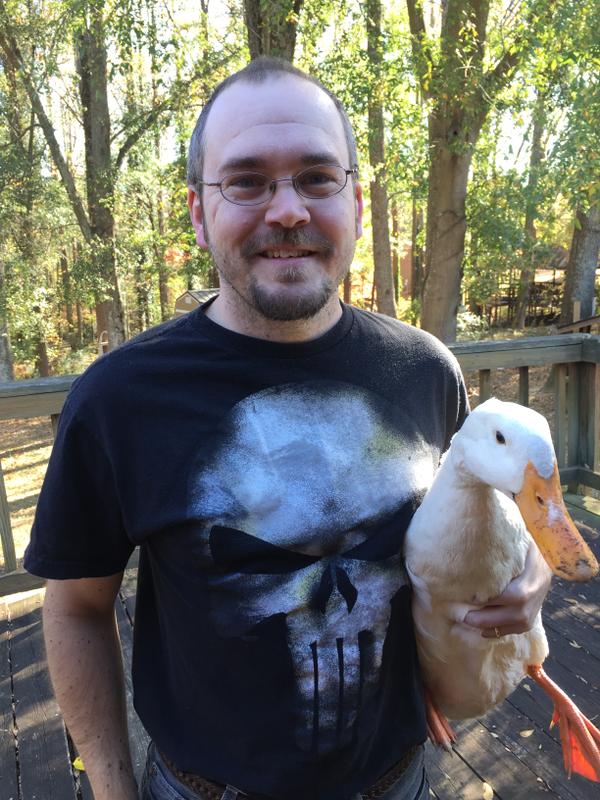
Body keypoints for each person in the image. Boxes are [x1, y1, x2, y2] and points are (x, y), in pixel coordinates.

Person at [25, 57, 552, 800]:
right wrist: (113, 791)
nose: (288, 210)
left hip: (401, 782)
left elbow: (495, 522)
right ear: (198, 211)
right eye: (246, 181)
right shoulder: (119, 399)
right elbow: (78, 607)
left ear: (356, 203)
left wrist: (532, 576)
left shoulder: (427, 372)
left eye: (317, 177)